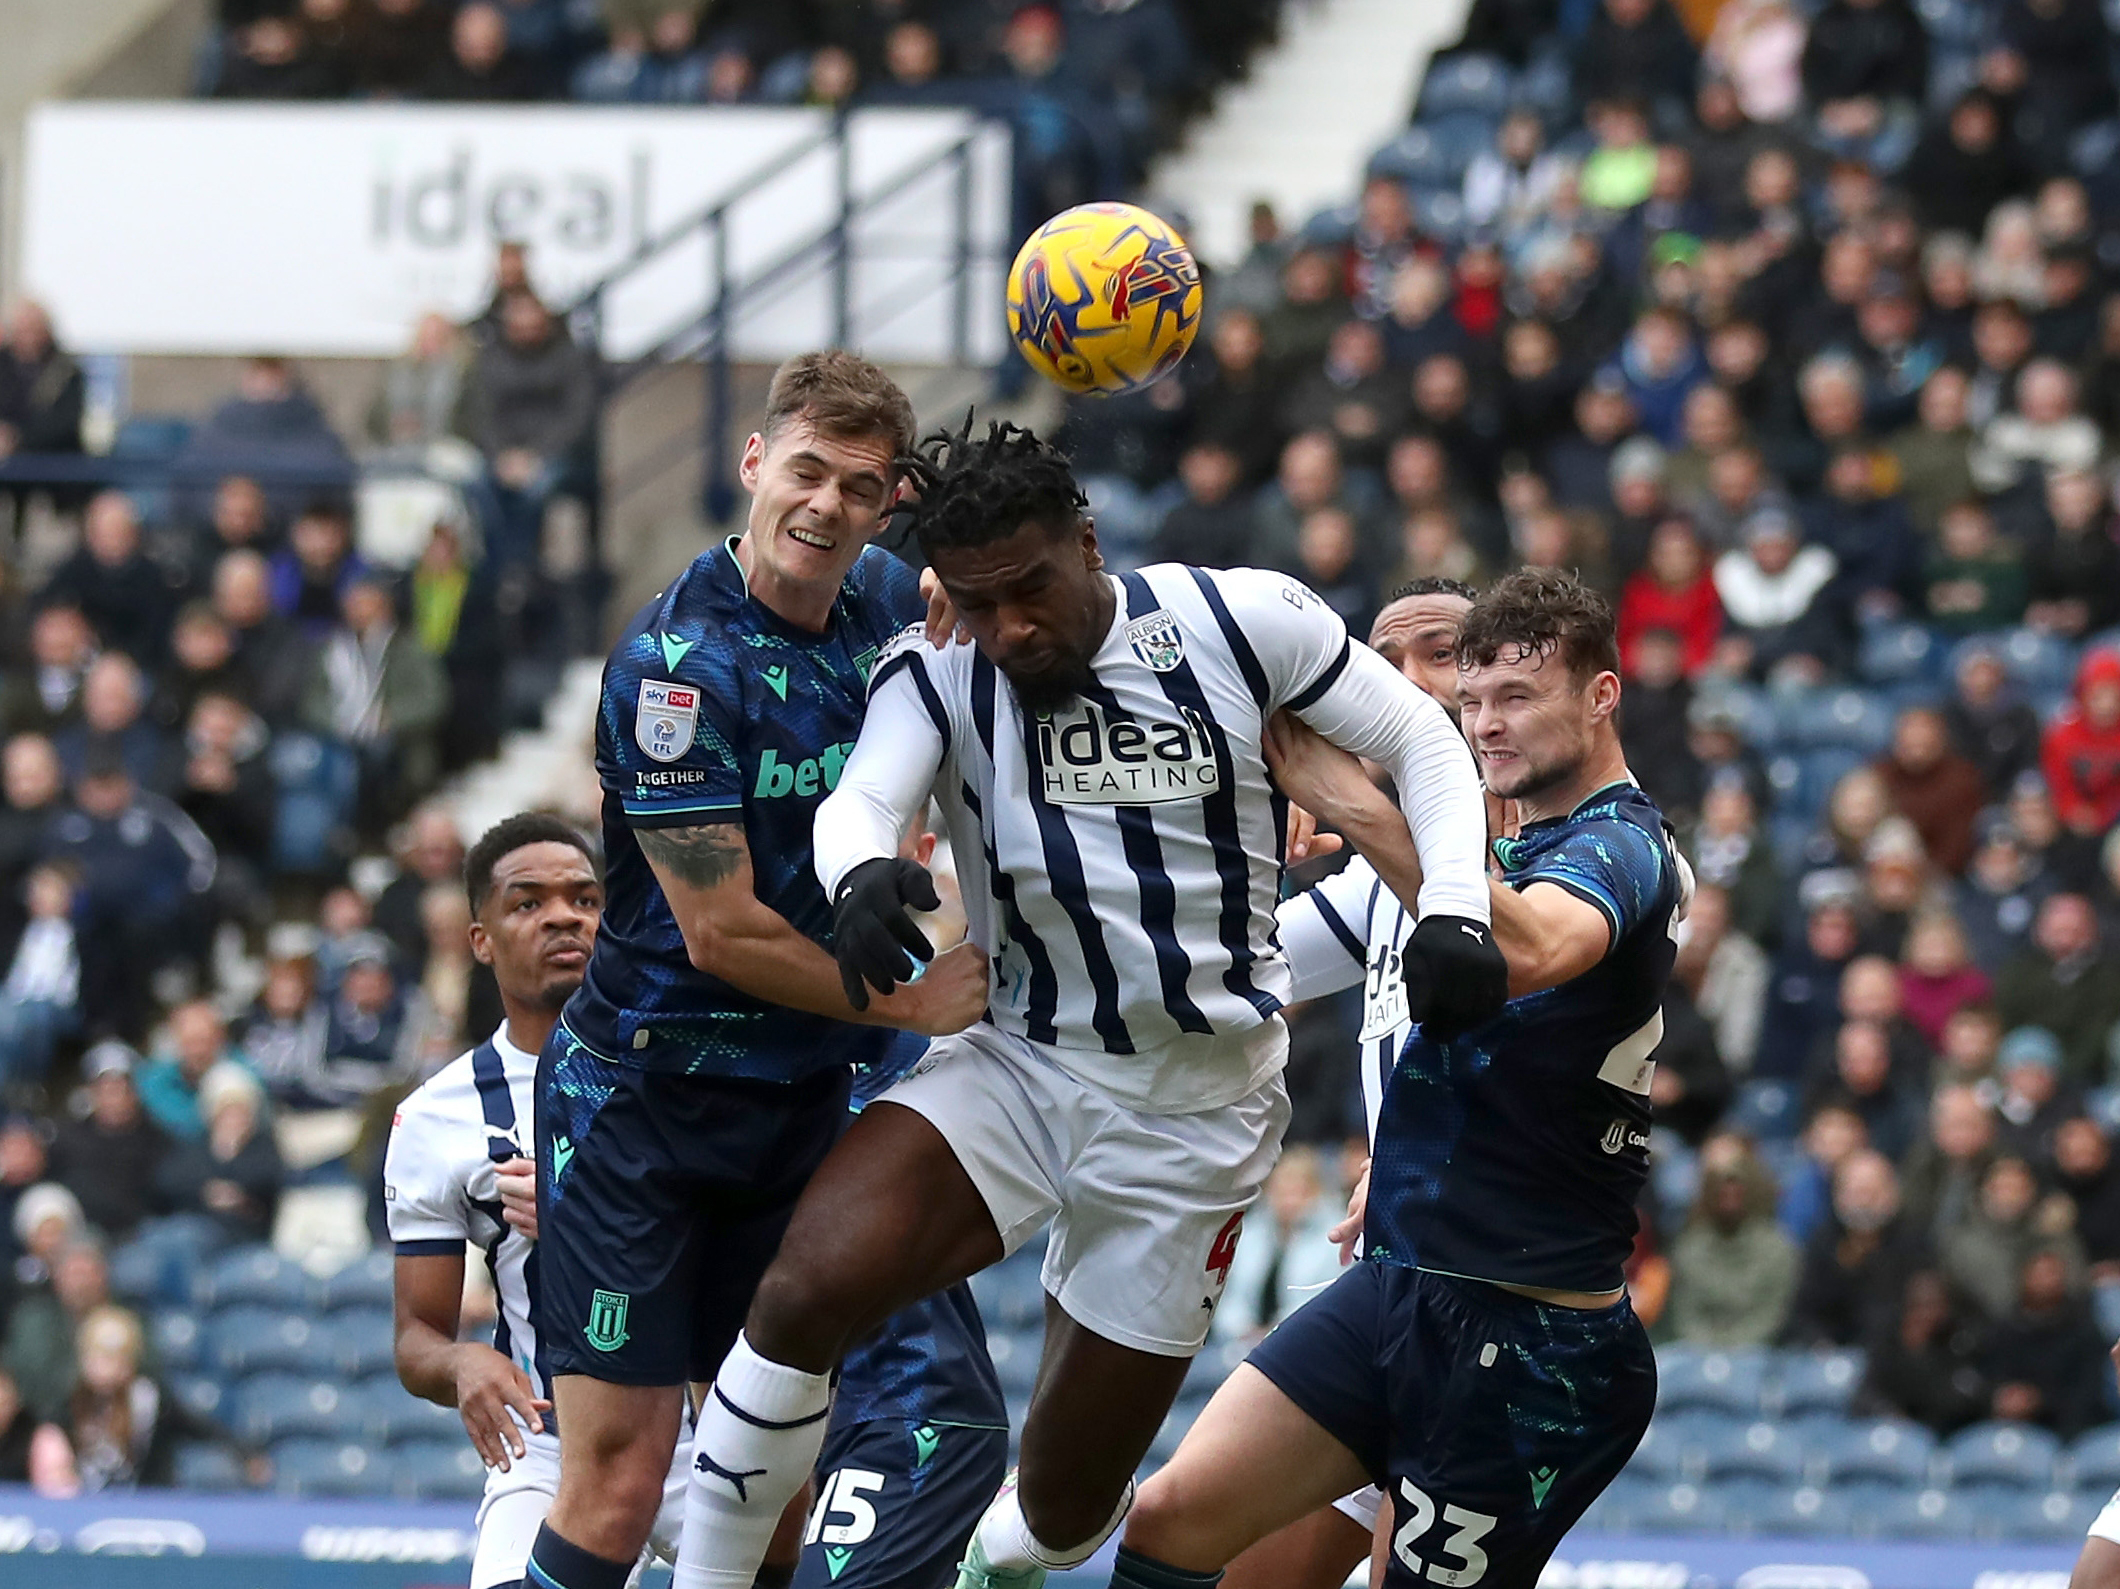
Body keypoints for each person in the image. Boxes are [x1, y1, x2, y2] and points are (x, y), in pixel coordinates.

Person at [675, 421, 1499, 1589]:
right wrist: (858, 872)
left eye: (1029, 589)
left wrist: (1456, 907)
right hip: (1020, 1069)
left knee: (1062, 1512)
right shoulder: (938, 667)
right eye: (978, 598)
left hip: (1195, 1121)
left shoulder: (1239, 619)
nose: (1010, 626)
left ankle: (992, 1564)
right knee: (802, 1290)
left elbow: (1420, 738)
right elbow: (860, 797)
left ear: (1086, 543)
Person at [1104, 568, 1671, 1589]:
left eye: (1467, 676)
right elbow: (1231, 964)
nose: (1466, 715)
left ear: (1597, 693)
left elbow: (1525, 949)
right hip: (1392, 1279)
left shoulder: (1617, 845)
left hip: (1520, 1323)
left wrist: (1352, 803)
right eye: (1468, 699)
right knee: (1170, 1517)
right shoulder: (1401, 869)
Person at [523, 354, 986, 1589]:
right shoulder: (676, 667)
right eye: (804, 471)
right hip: (643, 1108)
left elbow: (1025, 621)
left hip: (800, 1111)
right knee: (622, 1479)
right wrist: (910, 999)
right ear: (751, 463)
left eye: (857, 486)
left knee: (770, 1478)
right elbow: (718, 930)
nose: (824, 506)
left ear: (888, 504)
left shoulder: (889, 598)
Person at [387, 814, 689, 1587]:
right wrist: (462, 1363)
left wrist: (580, 1210)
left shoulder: (692, 1065)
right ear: (479, 936)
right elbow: (416, 1335)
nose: (564, 916)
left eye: (586, 899)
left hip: (708, 1426)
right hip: (556, 1440)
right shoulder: (435, 1116)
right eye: (529, 903)